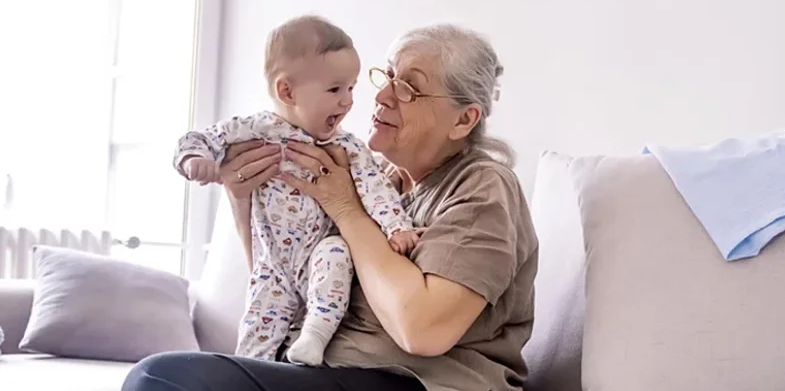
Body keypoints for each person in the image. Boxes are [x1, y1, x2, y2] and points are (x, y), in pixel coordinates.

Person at [123, 22, 538, 391]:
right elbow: (287, 277)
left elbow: (423, 331)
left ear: (463, 120)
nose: (383, 95)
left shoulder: (482, 186)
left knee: (161, 378)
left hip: (415, 381)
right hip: (325, 367)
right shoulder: (375, 176)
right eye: (387, 76)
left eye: (409, 87)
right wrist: (240, 195)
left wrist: (344, 207)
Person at [172, 15, 418, 366]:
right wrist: (194, 159)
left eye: (351, 88)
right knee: (256, 335)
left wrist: (397, 227)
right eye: (335, 90)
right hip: (272, 264)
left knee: (336, 252)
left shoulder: (346, 147)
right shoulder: (255, 130)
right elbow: (199, 138)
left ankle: (314, 336)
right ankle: (249, 372)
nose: (347, 102)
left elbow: (377, 189)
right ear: (286, 91)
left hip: (319, 254)